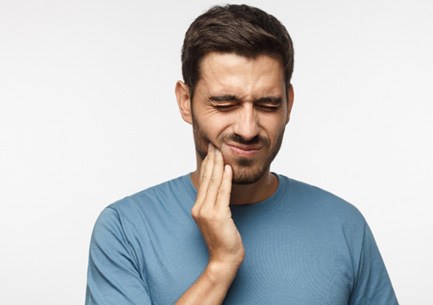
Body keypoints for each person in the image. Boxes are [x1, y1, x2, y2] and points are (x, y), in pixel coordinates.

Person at [85, 4, 398, 305]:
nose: (248, 129)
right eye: (225, 104)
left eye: (267, 105)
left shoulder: (344, 225)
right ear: (185, 101)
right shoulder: (125, 229)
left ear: (289, 102)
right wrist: (220, 266)